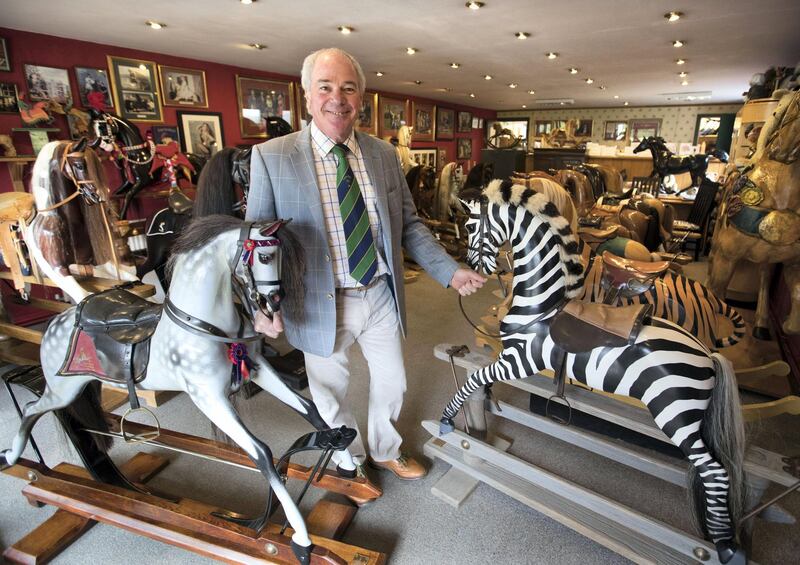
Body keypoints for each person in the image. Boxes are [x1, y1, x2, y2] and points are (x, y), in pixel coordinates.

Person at [246, 48, 485, 500]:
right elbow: (259, 242)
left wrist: (448, 271)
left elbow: (409, 225)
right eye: (326, 87)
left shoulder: (382, 154)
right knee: (330, 392)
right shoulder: (271, 157)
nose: (337, 98)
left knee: (394, 380)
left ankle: (384, 448)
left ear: (362, 97)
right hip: (318, 300)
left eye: (348, 88)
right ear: (307, 95)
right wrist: (262, 306)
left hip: (378, 291)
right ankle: (348, 459)